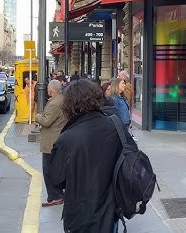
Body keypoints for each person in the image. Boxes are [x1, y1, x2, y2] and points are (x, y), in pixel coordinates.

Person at [48, 79, 132, 233]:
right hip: (111, 209)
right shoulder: (115, 126)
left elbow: (56, 180)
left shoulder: (67, 138)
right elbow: (130, 158)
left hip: (80, 214)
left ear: (69, 105)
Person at [36, 80, 68, 207]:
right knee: (56, 169)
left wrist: (38, 116)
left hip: (51, 141)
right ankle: (59, 194)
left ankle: (55, 196)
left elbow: (46, 121)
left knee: (48, 170)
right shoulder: (62, 99)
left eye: (48, 89)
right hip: (58, 139)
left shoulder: (55, 103)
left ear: (51, 90)